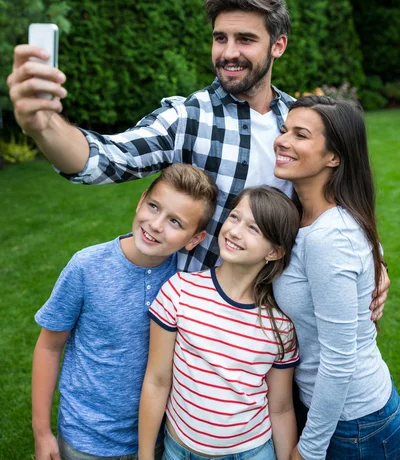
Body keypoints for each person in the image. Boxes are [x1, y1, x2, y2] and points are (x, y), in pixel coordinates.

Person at [8, 0, 389, 303]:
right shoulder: (188, 116)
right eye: (220, 38)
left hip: (283, 313)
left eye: (245, 39)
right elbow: (104, 159)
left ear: (278, 46)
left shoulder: (298, 123)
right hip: (199, 321)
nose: (227, 52)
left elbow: (340, 198)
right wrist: (43, 125)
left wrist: (372, 257)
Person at [32, 164, 218, 460]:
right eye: (154, 207)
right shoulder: (86, 267)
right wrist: (42, 433)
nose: (156, 225)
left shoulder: (186, 280)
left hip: (156, 437)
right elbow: (49, 346)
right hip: (85, 439)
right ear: (140, 200)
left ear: (194, 239)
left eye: (175, 222)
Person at [272, 95, 400, 460]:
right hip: (332, 410)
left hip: (354, 422)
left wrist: (309, 450)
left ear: (334, 156)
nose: (283, 140)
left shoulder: (329, 237)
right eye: (284, 131)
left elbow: (340, 358)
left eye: (300, 135)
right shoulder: (307, 216)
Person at [139, 185, 300, 460]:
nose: (235, 231)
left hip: (251, 452)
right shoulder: (180, 291)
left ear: (273, 252)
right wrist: (145, 455)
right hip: (179, 451)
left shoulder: (279, 325)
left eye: (254, 228)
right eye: (235, 217)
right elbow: (157, 380)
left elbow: (281, 407)